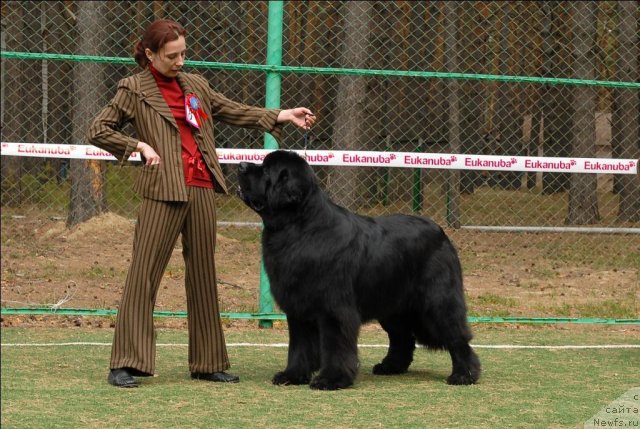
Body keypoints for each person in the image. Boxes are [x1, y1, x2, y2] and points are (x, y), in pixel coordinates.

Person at [87, 19, 315, 388]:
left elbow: (231, 109)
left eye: (183, 54)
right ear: (150, 55)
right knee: (143, 275)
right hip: (163, 191)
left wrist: (280, 115)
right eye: (171, 56)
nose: (180, 62)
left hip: (202, 188)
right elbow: (98, 129)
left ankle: (208, 362)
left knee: (204, 277)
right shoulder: (133, 88)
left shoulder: (195, 85)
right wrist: (137, 146)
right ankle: (126, 362)